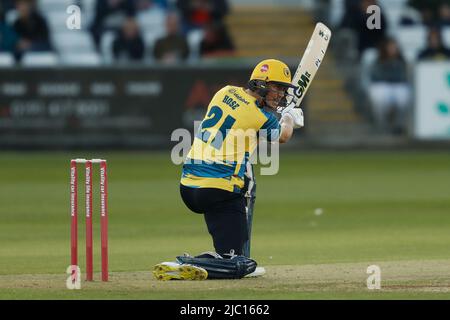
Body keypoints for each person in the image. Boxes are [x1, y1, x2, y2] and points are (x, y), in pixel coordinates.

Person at [153, 59, 304, 280]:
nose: (281, 95)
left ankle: (205, 263)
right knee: (242, 263)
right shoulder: (259, 117)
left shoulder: (224, 92)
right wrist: (290, 118)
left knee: (229, 254)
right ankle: (187, 264)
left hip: (188, 186)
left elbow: (241, 124)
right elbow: (283, 135)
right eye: (278, 88)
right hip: (218, 189)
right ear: (261, 84)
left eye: (283, 90)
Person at [368, 37, 411, 134]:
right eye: (390, 47)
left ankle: (399, 125)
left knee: (403, 98)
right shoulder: (378, 61)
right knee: (380, 97)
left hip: (398, 85)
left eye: (394, 47)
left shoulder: (401, 61)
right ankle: (382, 123)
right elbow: (376, 75)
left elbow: (403, 76)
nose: (393, 49)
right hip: (382, 85)